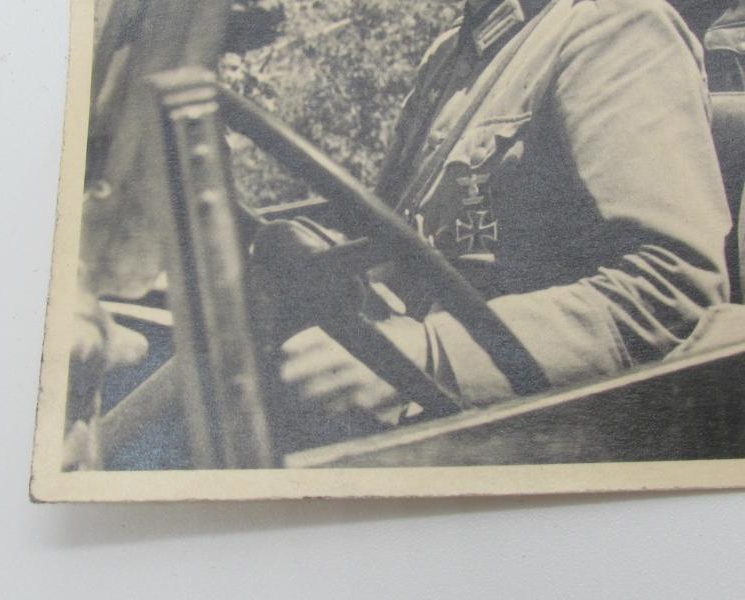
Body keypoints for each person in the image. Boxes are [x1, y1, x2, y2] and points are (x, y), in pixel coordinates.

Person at [258, 0, 739, 424]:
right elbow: (405, 236)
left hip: (521, 424)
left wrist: (426, 357)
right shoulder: (452, 55)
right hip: (403, 377)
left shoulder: (615, 28)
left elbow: (670, 290)